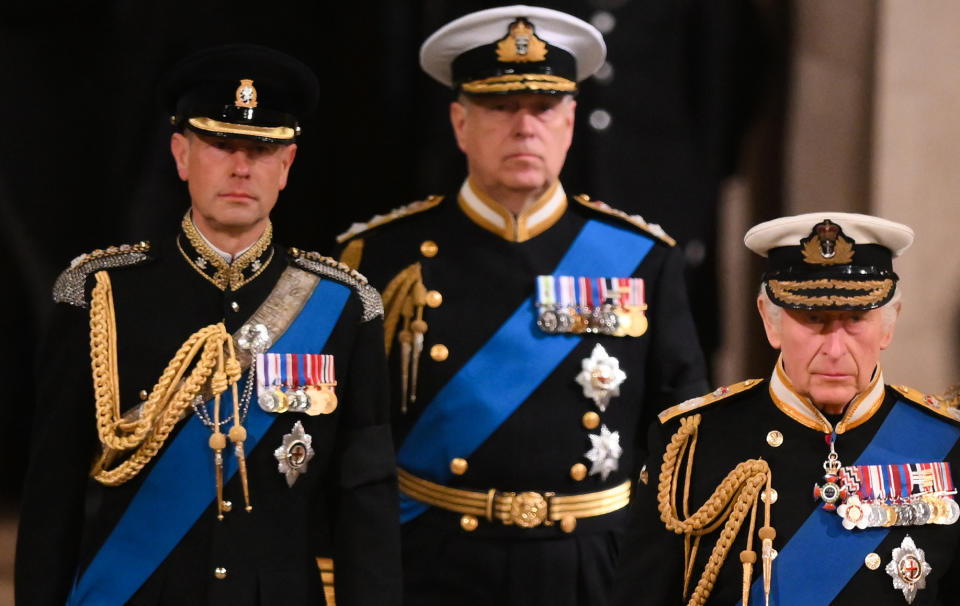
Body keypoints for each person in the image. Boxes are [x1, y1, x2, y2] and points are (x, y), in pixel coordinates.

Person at [335, 6, 708, 605]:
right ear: (460, 122)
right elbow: (351, 446)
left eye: (544, 108)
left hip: (593, 570)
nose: (525, 127)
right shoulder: (380, 258)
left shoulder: (640, 259)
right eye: (501, 107)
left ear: (571, 121)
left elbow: (683, 444)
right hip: (432, 565)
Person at [14, 44, 400, 605]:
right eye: (220, 145)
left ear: (287, 165)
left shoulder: (344, 305)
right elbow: (53, 498)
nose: (241, 167)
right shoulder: (99, 296)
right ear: (180, 155)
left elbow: (364, 502)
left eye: (263, 149)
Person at [612, 212, 960, 605]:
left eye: (856, 319)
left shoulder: (945, 444)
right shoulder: (691, 445)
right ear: (770, 320)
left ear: (888, 323)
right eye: (813, 320)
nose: (834, 349)